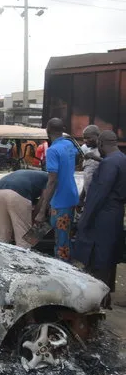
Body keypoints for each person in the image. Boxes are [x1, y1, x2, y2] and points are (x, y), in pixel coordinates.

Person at [73, 130, 126, 308]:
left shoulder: (109, 164)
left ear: (102, 143)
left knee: (99, 257)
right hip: (116, 213)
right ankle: (107, 297)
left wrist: (85, 219)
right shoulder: (121, 158)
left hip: (103, 214)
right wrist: (98, 160)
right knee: (110, 255)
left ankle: (99, 300)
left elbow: (99, 194)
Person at [35, 118, 79, 261]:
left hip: (61, 199)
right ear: (62, 129)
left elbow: (52, 180)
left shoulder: (53, 150)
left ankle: (63, 268)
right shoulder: (69, 144)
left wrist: (42, 210)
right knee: (66, 235)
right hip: (71, 195)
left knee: (61, 240)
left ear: (48, 131)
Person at [0, 170, 49, 248]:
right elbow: (43, 200)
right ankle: (24, 256)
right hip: (18, 191)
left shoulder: (36, 174)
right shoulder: (51, 180)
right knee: (23, 240)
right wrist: (36, 217)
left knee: (3, 236)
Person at [79, 125, 101, 206]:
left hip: (98, 197)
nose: (85, 140)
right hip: (88, 197)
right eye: (84, 138)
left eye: (88, 138)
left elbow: (110, 164)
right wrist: (81, 197)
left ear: (97, 136)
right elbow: (88, 177)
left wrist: (95, 157)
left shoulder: (103, 150)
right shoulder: (85, 149)